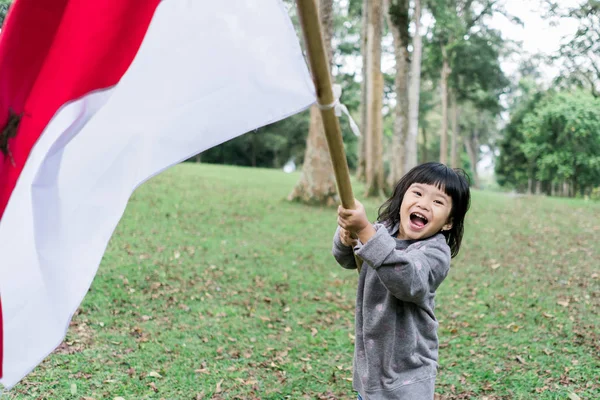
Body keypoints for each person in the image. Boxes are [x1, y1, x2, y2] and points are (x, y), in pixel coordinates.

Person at [332, 162, 471, 400]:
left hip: (409, 374)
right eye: (417, 193)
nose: (424, 204)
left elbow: (407, 281)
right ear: (402, 198)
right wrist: (346, 239)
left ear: (448, 222)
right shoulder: (381, 231)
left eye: (438, 202)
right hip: (371, 368)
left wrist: (364, 230)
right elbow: (347, 259)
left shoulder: (435, 253)